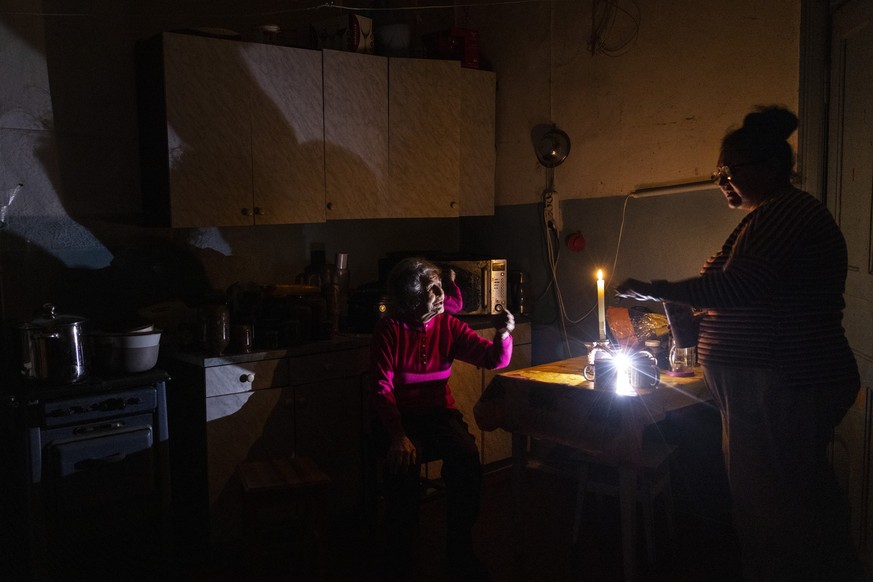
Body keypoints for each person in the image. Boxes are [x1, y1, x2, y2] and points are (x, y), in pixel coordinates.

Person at [616, 106, 866, 581]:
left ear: (770, 168)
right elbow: (736, 294)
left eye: (731, 172)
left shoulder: (787, 214)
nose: (722, 182)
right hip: (767, 386)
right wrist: (685, 318)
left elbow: (740, 289)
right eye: (719, 173)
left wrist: (659, 288)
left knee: (774, 514)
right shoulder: (763, 218)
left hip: (782, 382)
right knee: (788, 503)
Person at [369, 257, 514, 581]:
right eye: (432, 289)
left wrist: (503, 334)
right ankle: (401, 557)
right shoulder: (390, 330)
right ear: (411, 299)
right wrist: (397, 434)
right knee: (402, 468)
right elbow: (381, 388)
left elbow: (494, 360)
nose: (440, 294)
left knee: (465, 459)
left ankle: (460, 552)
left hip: (437, 414)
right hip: (399, 418)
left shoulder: (448, 325)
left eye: (439, 286)